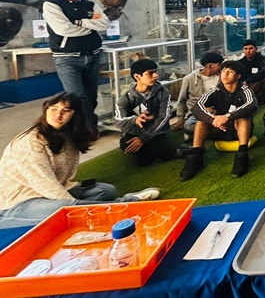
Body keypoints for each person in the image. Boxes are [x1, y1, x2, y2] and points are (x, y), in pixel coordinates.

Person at [0, 93, 160, 229]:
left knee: (105, 191)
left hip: (49, 194)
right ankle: (127, 204)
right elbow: (45, 185)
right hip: (15, 204)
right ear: (46, 109)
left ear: (74, 114)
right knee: (63, 207)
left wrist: (76, 202)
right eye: (53, 108)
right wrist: (73, 206)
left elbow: (62, 179)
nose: (58, 114)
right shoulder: (30, 142)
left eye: (66, 110)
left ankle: (86, 209)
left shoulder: (66, 135)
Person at [43, 0, 110, 140]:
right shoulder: (52, 5)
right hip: (67, 59)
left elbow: (104, 23)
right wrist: (91, 25)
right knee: (77, 96)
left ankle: (82, 126)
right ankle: (89, 129)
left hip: (93, 56)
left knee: (91, 96)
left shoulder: (90, 4)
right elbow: (63, 29)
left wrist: (79, 22)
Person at [179, 60, 257, 181]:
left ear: (238, 76)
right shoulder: (215, 90)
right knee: (202, 118)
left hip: (238, 129)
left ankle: (242, 155)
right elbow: (196, 107)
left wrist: (227, 117)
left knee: (243, 116)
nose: (225, 74)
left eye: (230, 72)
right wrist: (212, 119)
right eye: (223, 71)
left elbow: (252, 104)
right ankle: (196, 156)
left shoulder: (245, 90)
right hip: (220, 129)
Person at [114, 59, 175, 166]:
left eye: (155, 72)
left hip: (156, 133)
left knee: (163, 151)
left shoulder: (163, 92)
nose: (155, 76)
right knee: (126, 145)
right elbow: (118, 121)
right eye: (150, 73)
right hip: (136, 133)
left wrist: (144, 138)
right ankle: (153, 150)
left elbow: (164, 117)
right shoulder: (126, 98)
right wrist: (134, 120)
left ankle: (153, 149)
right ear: (137, 76)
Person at [173, 51, 223, 137]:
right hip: (196, 114)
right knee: (188, 126)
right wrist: (180, 118)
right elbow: (182, 100)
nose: (221, 67)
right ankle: (212, 131)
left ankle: (199, 133)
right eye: (219, 65)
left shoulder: (222, 77)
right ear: (210, 66)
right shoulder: (189, 79)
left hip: (216, 112)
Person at [239, 39, 265, 105]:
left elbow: (264, 72)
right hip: (245, 86)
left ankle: (245, 100)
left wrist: (247, 81)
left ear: (256, 49)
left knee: (261, 80)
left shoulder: (262, 60)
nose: (248, 51)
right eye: (245, 49)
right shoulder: (241, 62)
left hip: (262, 89)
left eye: (251, 48)